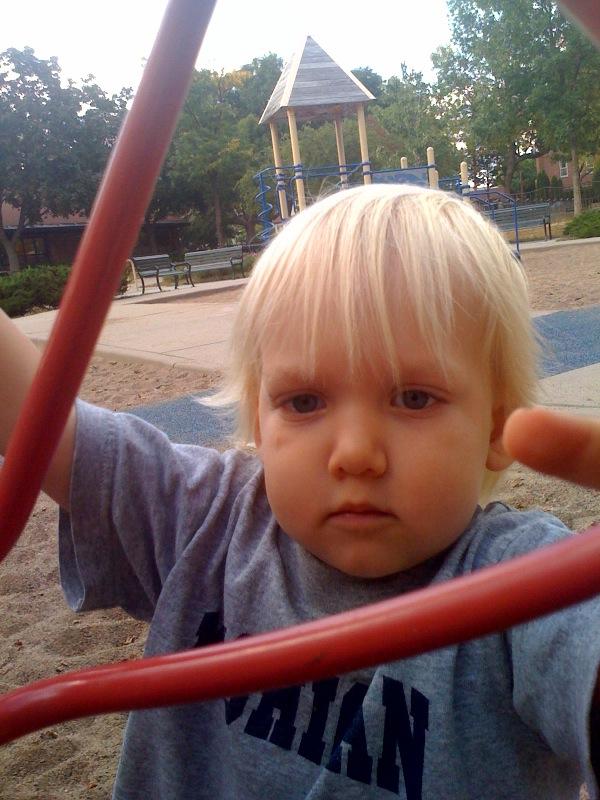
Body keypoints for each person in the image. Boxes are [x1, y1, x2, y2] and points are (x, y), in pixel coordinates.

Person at [1, 183, 600, 799]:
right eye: (305, 402)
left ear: (496, 429)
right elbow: (36, 415)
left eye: (414, 398)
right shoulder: (206, 521)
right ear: (261, 424)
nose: (355, 454)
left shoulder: (526, 587)